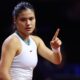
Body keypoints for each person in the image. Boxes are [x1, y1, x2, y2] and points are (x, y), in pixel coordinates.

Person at [0, 1, 62, 80]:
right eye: (23, 20)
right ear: (15, 21)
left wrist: (56, 49)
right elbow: (2, 73)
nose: (28, 23)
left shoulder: (36, 41)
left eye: (31, 18)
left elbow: (56, 60)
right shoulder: (12, 42)